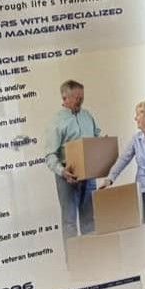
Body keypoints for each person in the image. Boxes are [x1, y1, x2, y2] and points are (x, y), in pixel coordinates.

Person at [107, 99, 145, 253]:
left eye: (138, 114)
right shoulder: (136, 139)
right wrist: (110, 178)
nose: (135, 118)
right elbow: (123, 159)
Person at [45, 80, 102, 237]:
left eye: (82, 97)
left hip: (89, 174)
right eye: (77, 98)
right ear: (65, 98)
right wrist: (62, 172)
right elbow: (50, 155)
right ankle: (75, 261)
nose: (81, 101)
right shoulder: (56, 122)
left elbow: (97, 136)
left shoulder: (87, 115)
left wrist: (102, 146)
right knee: (69, 221)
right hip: (67, 176)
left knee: (90, 219)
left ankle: (92, 257)